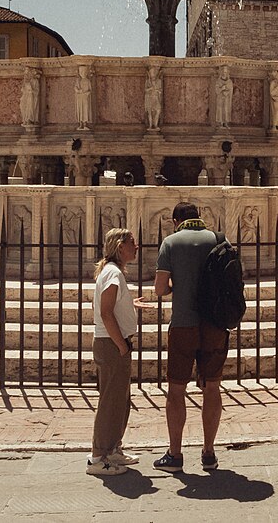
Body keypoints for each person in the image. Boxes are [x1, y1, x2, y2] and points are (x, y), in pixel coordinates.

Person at [153, 202, 229, 473]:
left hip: (184, 324)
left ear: (176, 221)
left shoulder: (171, 242)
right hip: (214, 325)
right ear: (200, 217)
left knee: (176, 390)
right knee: (212, 387)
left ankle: (175, 454)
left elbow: (160, 288)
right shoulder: (219, 239)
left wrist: (179, 283)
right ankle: (208, 452)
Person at [88, 228, 147, 476]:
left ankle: (113, 449)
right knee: (110, 402)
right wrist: (122, 345)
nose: (137, 247)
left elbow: (110, 304)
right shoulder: (112, 273)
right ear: (120, 245)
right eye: (133, 242)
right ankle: (98, 458)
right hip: (112, 344)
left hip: (114, 343)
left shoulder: (111, 272)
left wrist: (129, 304)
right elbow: (105, 312)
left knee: (120, 400)